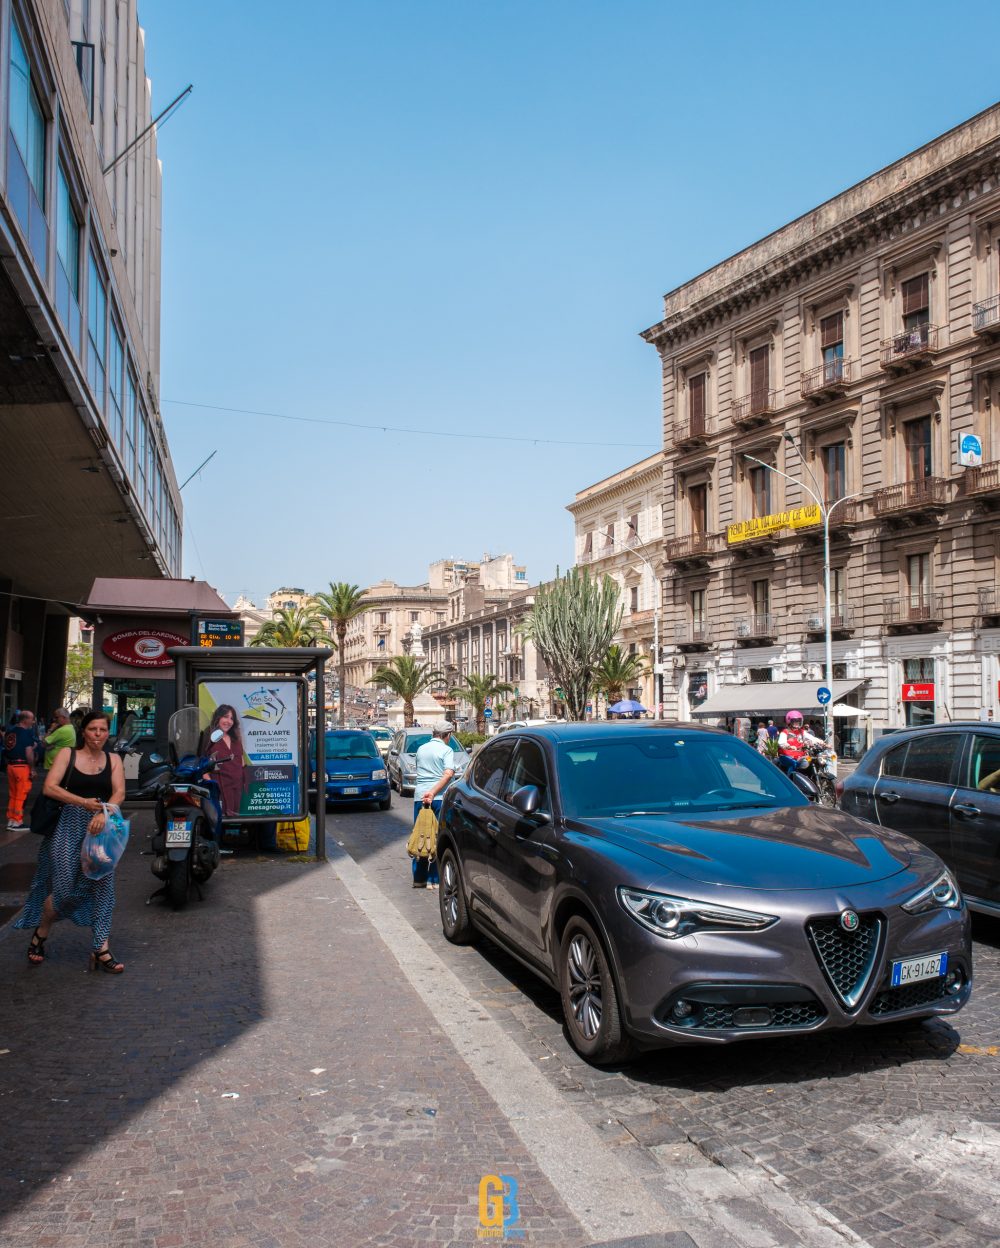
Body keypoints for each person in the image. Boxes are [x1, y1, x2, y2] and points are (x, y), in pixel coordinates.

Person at [14, 710, 127, 973]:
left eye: (102, 730)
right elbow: (50, 787)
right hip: (67, 823)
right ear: (83, 732)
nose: (98, 735)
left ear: (107, 732)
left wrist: (103, 811)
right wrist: (83, 803)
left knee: (103, 889)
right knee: (63, 889)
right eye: (92, 730)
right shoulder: (68, 754)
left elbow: (119, 792)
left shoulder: (114, 759)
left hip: (101, 828)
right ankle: (41, 931)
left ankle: (101, 948)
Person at [411, 721, 456, 889]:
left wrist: (427, 792)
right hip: (438, 798)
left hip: (419, 797)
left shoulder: (421, 749)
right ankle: (434, 879)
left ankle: (419, 878)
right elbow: (448, 774)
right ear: (448, 735)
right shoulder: (447, 750)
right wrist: (434, 791)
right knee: (437, 837)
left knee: (421, 834)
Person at [199, 704, 246, 818]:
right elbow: (201, 759)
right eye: (226, 717)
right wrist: (209, 782)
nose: (229, 721)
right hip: (219, 787)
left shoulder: (234, 737)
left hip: (236, 786)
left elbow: (242, 760)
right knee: (218, 821)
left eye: (231, 718)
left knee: (235, 819)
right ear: (218, 717)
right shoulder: (209, 735)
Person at [3, 709, 37, 829]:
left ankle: (11, 820)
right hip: (21, 767)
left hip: (11, 766)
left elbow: (9, 748)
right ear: (25, 720)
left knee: (13, 794)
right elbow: (28, 752)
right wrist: (32, 769)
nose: (33, 722)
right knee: (21, 794)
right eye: (31, 719)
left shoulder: (10, 732)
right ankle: (17, 821)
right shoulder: (26, 733)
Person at [776, 710, 828, 776]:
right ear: (789, 721)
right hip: (787, 756)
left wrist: (822, 743)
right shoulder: (785, 732)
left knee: (811, 761)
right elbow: (781, 742)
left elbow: (812, 738)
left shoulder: (801, 732)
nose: (797, 723)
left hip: (799, 756)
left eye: (798, 721)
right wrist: (789, 746)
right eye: (794, 721)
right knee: (793, 764)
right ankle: (790, 781)